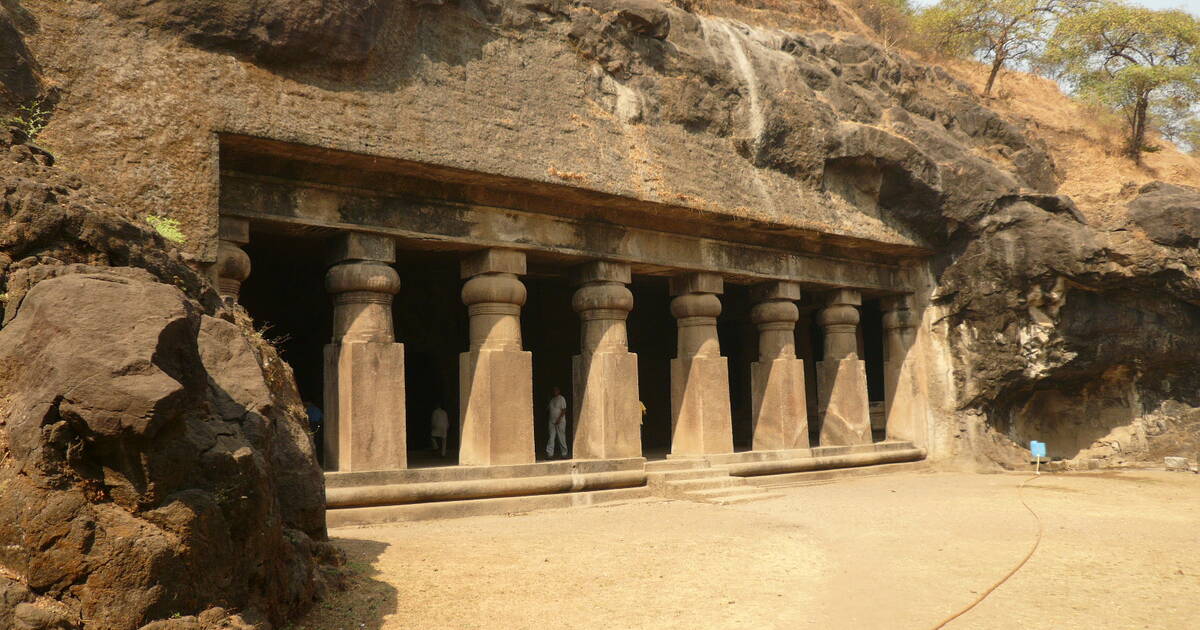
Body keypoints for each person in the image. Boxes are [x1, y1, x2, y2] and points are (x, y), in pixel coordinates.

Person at [545, 386, 569, 459]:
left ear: (559, 391)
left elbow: (564, 409)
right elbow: (547, 409)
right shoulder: (552, 400)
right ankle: (550, 454)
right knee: (551, 437)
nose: (554, 391)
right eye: (553, 390)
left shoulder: (561, 398)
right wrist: (548, 400)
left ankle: (564, 454)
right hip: (552, 421)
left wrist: (559, 419)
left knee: (561, 437)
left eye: (556, 390)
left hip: (560, 421)